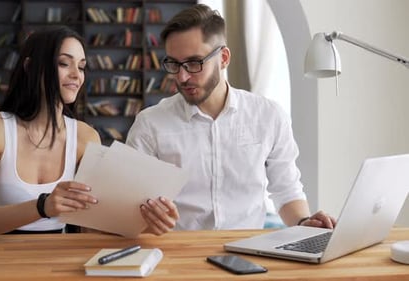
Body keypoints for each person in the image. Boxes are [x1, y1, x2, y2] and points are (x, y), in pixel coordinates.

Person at [126, 4, 336, 230]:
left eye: (194, 63)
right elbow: (128, 201)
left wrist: (305, 223)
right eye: (174, 64)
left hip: (247, 251)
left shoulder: (269, 116)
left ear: (224, 58)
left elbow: (286, 190)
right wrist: (147, 217)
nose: (182, 76)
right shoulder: (150, 124)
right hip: (177, 253)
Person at [0, 26, 178, 237]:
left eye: (82, 66)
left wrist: (145, 224)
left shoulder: (85, 137)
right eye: (63, 63)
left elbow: (91, 225)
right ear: (30, 67)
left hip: (58, 257)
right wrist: (43, 206)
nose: (76, 75)